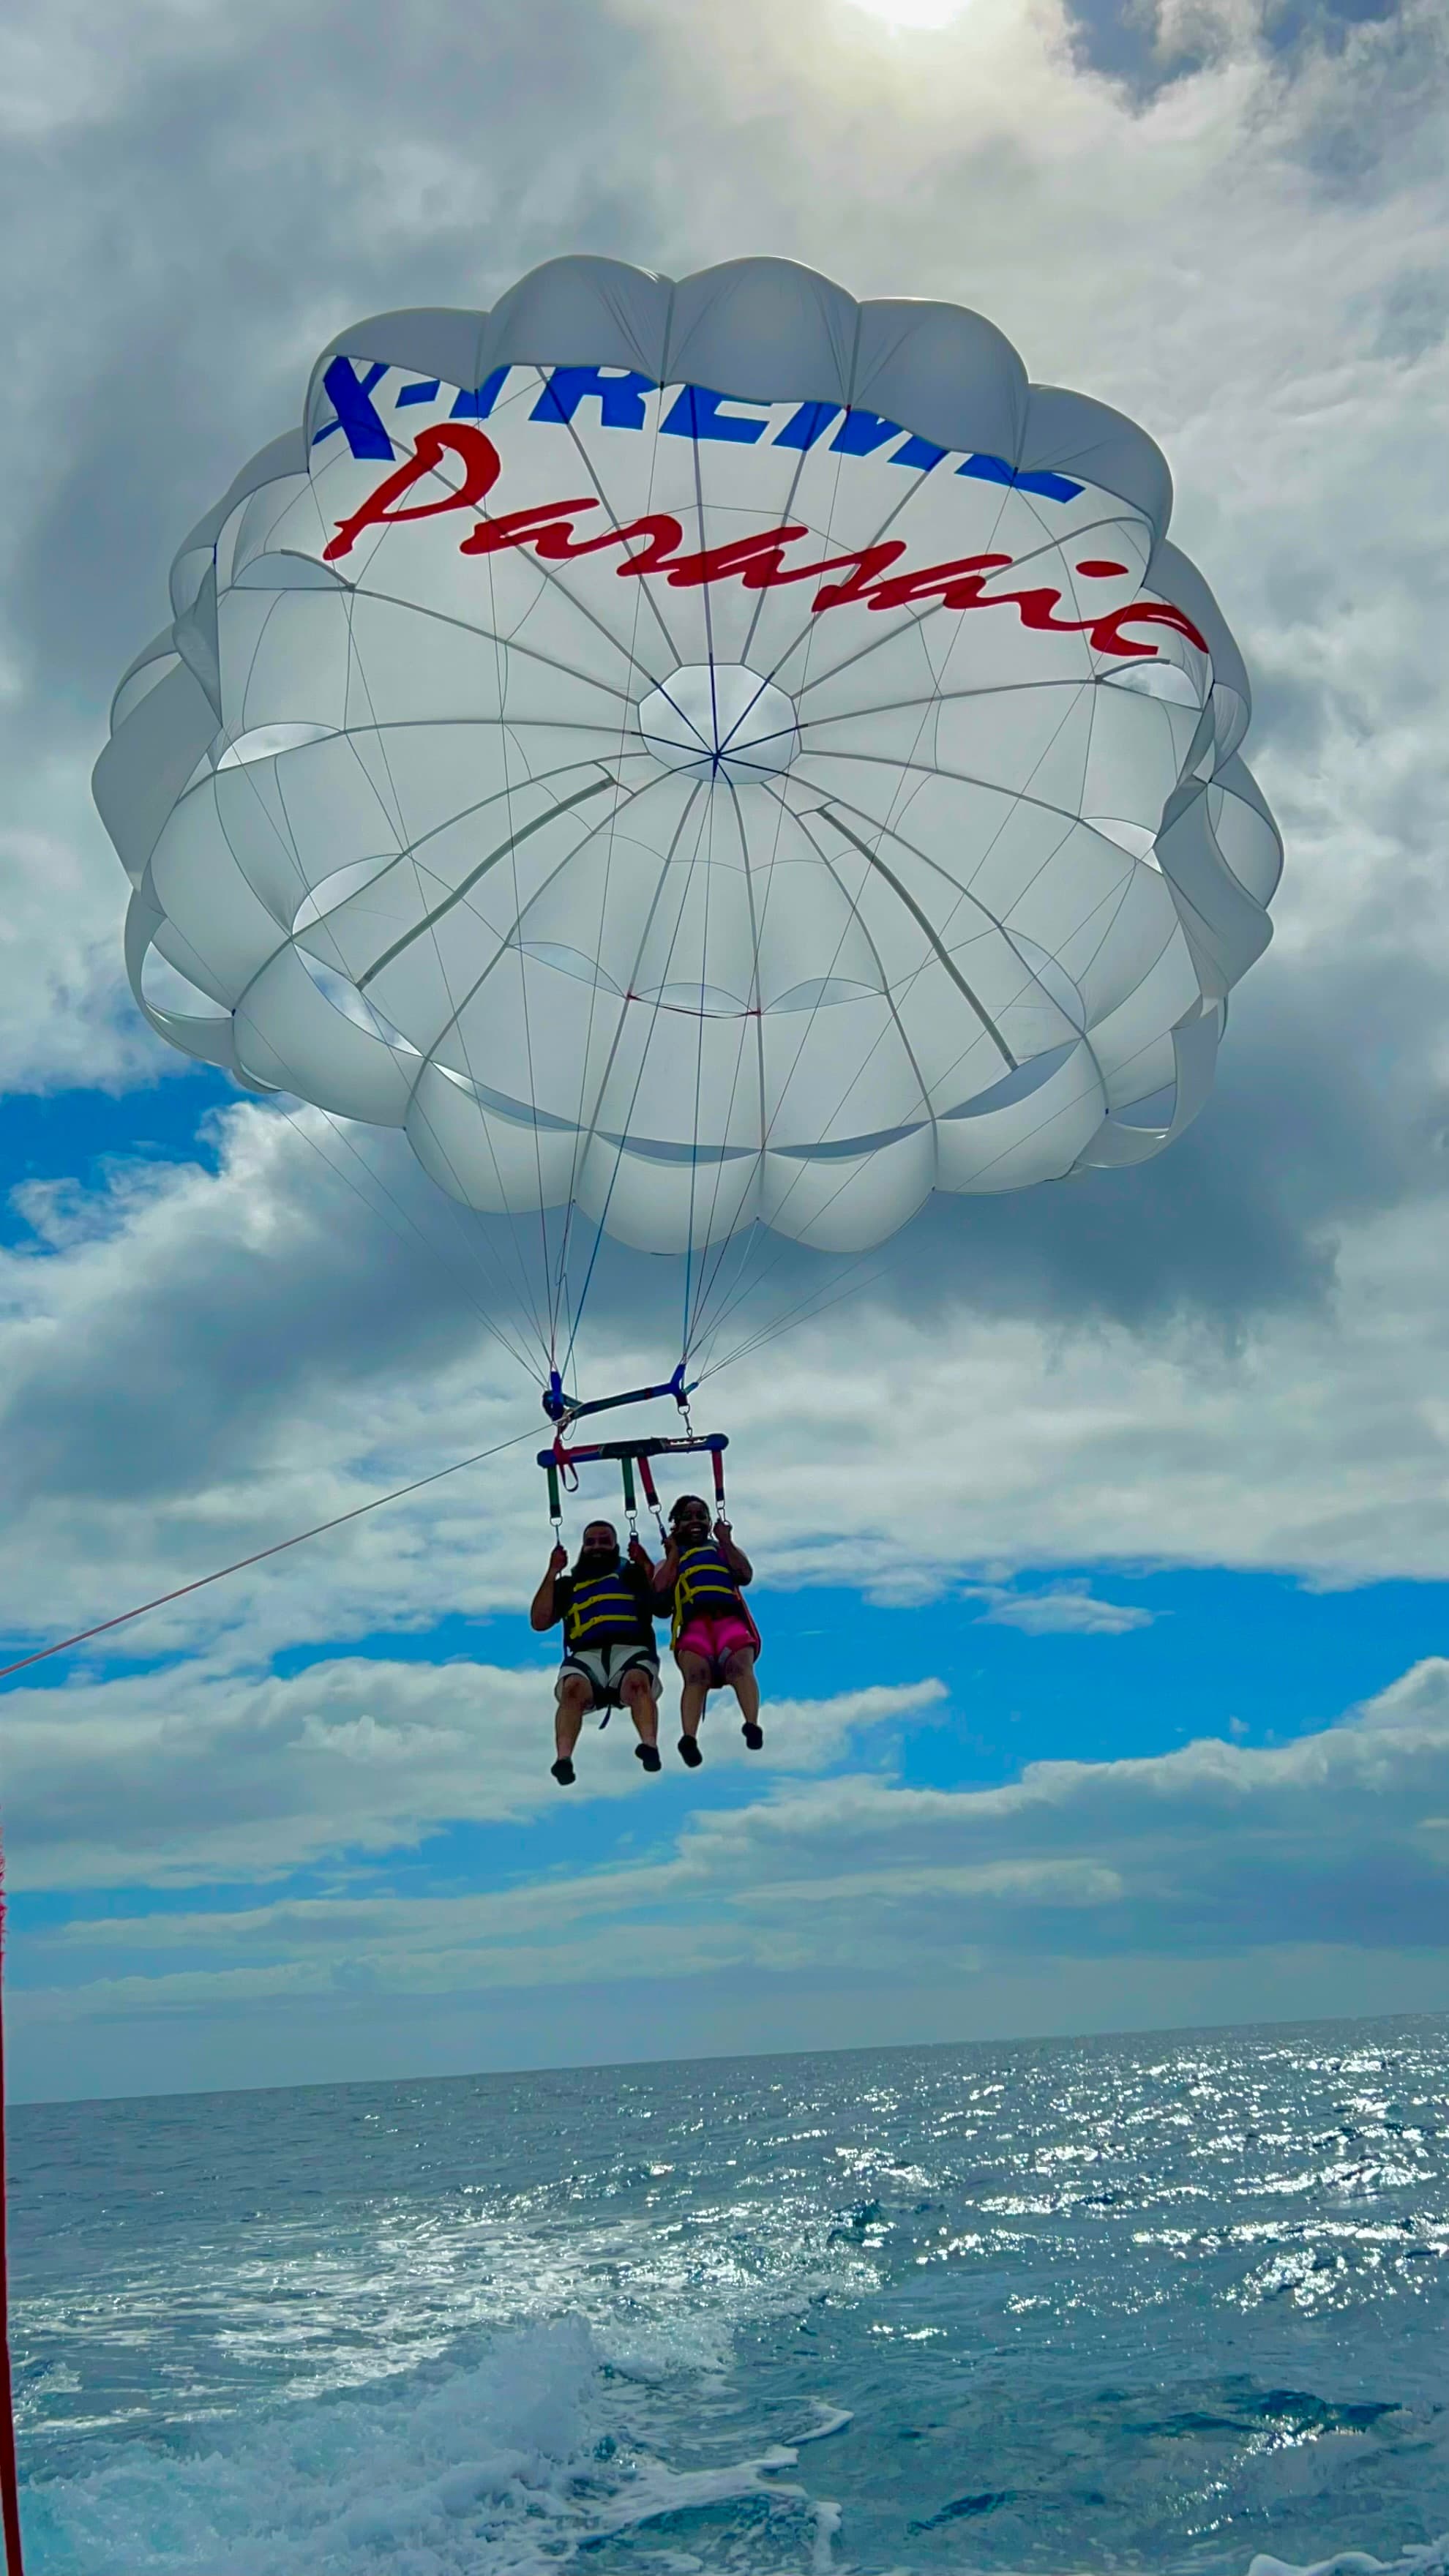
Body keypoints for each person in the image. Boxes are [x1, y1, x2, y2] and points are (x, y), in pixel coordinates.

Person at [531, 1519, 662, 1786]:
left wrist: (645, 1562)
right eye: (590, 1542)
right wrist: (552, 1570)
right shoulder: (568, 1585)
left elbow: (659, 1601)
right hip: (586, 1654)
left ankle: (649, 1745)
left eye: (605, 1541)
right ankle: (563, 1759)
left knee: (637, 1683)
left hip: (630, 1649)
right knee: (572, 1690)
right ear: (582, 1547)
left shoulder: (631, 1574)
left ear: (616, 1546)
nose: (597, 1547)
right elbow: (539, 1621)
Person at [654, 1493, 762, 1767]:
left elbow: (745, 1575)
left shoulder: (722, 1551)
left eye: (701, 1515)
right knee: (696, 1674)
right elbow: (660, 1595)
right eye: (687, 1517)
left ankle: (751, 1724)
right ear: (676, 1524)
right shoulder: (669, 1561)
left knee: (740, 1665)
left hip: (728, 1619)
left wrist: (725, 1539)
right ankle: (689, 1737)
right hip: (694, 1624)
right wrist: (673, 1556)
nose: (695, 1521)